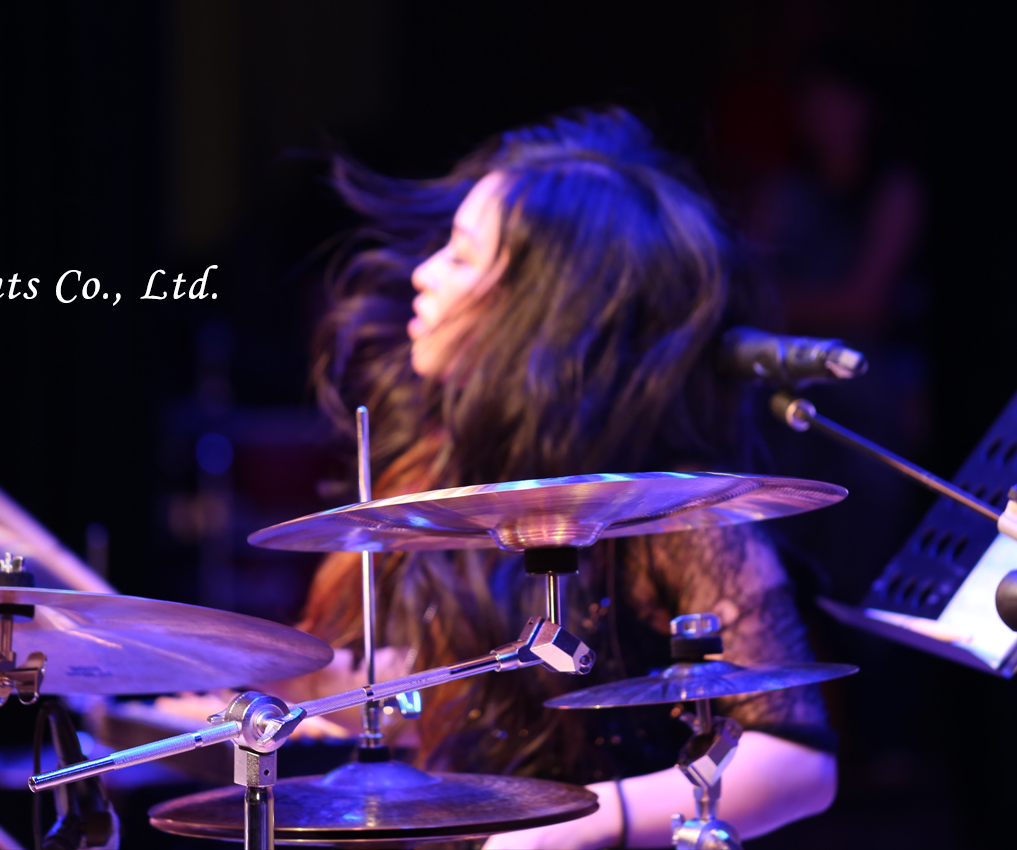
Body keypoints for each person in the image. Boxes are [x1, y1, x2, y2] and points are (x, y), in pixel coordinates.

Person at [293, 108, 839, 848]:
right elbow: (389, 698)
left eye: (460, 256)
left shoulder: (672, 518)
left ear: (539, 309)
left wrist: (575, 826)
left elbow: (797, 765)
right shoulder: (427, 475)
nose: (423, 274)